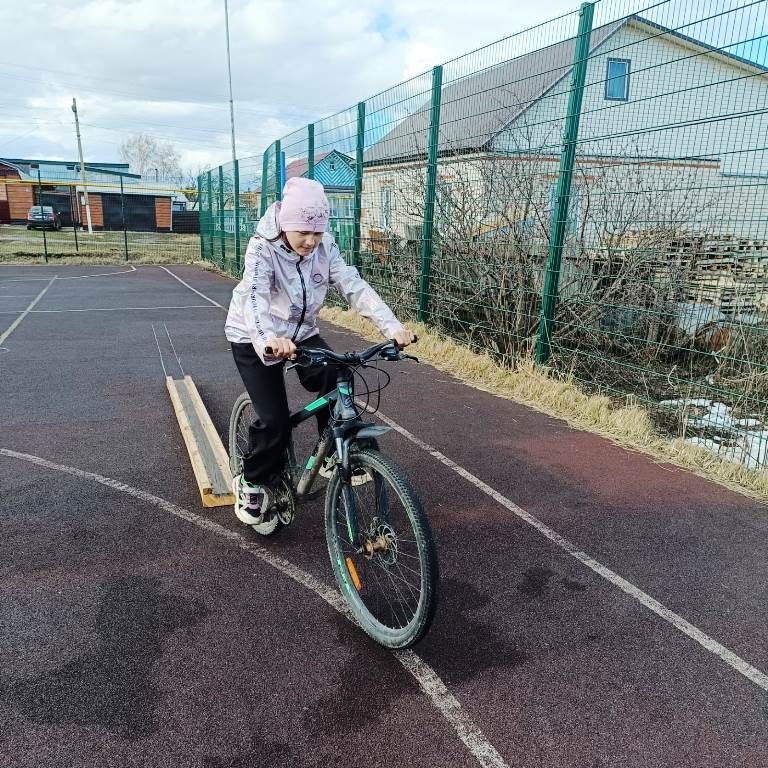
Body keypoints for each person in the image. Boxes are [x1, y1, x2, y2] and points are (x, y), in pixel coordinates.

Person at [225, 177, 412, 526]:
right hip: (254, 334)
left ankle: (330, 455)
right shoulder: (262, 247)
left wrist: (392, 327)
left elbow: (353, 285)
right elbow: (255, 299)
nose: (311, 242)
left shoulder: (325, 247)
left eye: (317, 233)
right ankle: (251, 481)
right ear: (285, 224)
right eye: (303, 233)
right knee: (275, 421)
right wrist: (268, 339)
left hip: (302, 334)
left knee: (338, 375)